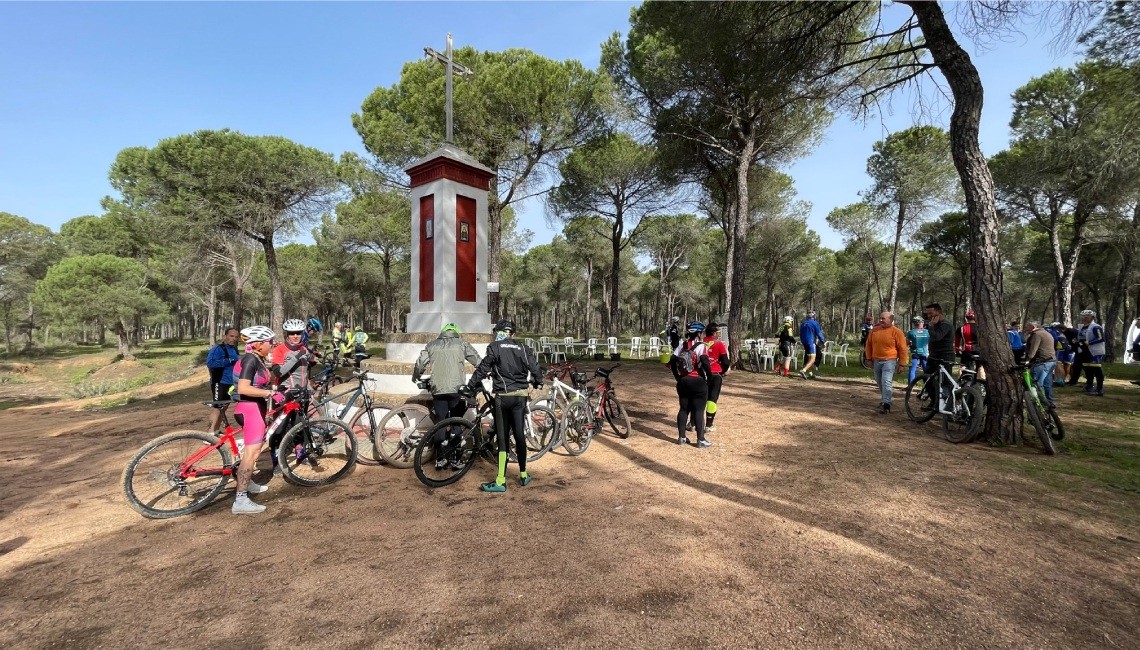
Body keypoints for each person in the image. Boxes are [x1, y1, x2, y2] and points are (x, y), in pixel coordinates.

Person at [463, 320, 543, 492]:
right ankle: (523, 475)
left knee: (503, 438)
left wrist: (470, 386)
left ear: (498, 333)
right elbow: (534, 367)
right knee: (520, 435)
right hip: (520, 397)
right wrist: (538, 381)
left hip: (502, 398)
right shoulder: (522, 347)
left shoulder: (494, 347)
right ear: (512, 334)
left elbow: (483, 368)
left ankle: (500, 481)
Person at [413, 323, 483, 470]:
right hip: (457, 389)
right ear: (456, 333)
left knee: (440, 422)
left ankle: (440, 459)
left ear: (443, 332)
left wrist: (416, 375)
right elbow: (478, 361)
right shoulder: (462, 344)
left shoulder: (431, 345)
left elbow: (420, 363)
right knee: (456, 422)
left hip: (438, 390)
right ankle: (456, 459)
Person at [230, 325, 278, 515]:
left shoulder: (256, 358)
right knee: (252, 454)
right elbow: (243, 388)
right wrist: (269, 393)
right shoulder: (250, 360)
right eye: (269, 342)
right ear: (258, 345)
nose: (272, 345)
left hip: (252, 408)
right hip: (250, 410)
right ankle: (240, 500)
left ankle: (247, 484)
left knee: (254, 452)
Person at [268, 319, 312, 476]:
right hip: (284, 393)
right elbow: (278, 373)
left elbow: (305, 372)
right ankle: (276, 459)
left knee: (300, 424)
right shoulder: (280, 350)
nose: (295, 336)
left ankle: (300, 452)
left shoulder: (304, 348)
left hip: (302, 393)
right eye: (292, 333)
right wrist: (296, 357)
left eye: (298, 333)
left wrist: (309, 387)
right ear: (286, 334)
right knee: (279, 427)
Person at [671, 321, 712, 447]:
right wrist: (709, 377)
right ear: (699, 333)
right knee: (699, 410)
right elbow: (705, 361)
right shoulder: (701, 346)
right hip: (697, 381)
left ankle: (682, 437)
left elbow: (672, 361)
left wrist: (678, 377)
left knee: (683, 409)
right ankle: (700, 440)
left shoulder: (682, 345)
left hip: (683, 381)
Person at [865, 311, 909, 414]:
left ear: (890, 320)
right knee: (879, 381)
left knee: (886, 381)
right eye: (880, 318)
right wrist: (869, 359)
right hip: (876, 360)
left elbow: (903, 349)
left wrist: (902, 364)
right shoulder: (874, 331)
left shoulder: (897, 332)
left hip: (889, 360)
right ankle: (885, 398)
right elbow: (868, 345)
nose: (880, 320)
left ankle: (886, 404)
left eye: (883, 318)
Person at [205, 327, 239, 434]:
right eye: (231, 336)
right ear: (224, 336)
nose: (233, 339)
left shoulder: (234, 349)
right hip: (219, 382)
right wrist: (227, 361)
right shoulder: (217, 349)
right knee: (217, 407)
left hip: (230, 383)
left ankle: (216, 430)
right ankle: (209, 433)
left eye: (236, 337)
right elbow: (210, 363)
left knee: (224, 408)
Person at [923, 303, 956, 411]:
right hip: (934, 356)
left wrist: (931, 326)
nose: (928, 315)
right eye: (927, 313)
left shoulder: (945, 324)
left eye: (930, 313)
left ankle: (950, 405)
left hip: (945, 356)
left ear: (938, 312)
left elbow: (937, 337)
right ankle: (935, 401)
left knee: (946, 382)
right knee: (927, 378)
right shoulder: (935, 324)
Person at [702, 322, 730, 432]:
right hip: (715, 374)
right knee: (712, 399)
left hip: (701, 374)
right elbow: (725, 361)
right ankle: (709, 424)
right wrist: (723, 371)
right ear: (713, 333)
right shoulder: (719, 344)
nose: (718, 334)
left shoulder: (700, 342)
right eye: (717, 332)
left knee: (699, 399)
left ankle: (693, 422)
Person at [1022, 321, 1057, 408]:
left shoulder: (1037, 335)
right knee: (1047, 383)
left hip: (1042, 362)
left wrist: (1028, 359)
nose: (1025, 329)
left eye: (1027, 327)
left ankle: (1039, 403)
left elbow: (1033, 349)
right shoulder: (1046, 333)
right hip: (1051, 361)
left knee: (1037, 383)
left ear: (1033, 326)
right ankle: (1050, 402)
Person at [1076, 309, 1105, 396]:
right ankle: (1089, 386)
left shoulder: (1096, 327)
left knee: (1096, 370)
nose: (1084, 318)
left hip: (1094, 351)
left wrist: (1090, 342)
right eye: (1083, 317)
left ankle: (1099, 389)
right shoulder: (1082, 327)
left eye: (1087, 317)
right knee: (1087, 369)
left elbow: (1101, 338)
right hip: (1084, 351)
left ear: (1092, 318)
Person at [797, 310, 826, 379]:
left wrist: (802, 341)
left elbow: (800, 334)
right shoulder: (815, 323)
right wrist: (823, 341)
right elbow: (819, 333)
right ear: (814, 316)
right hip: (811, 342)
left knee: (809, 358)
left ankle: (810, 373)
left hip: (804, 342)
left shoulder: (803, 323)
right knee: (813, 359)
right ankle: (803, 370)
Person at [955, 310, 981, 377]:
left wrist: (957, 351)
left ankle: (966, 381)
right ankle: (980, 382)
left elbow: (957, 342)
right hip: (978, 350)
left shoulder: (961, 328)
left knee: (965, 367)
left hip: (966, 350)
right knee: (980, 367)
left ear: (966, 318)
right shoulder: (980, 328)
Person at [1046, 321, 1071, 386]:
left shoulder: (1053, 331)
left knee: (1059, 364)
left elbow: (1055, 339)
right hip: (1067, 348)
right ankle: (1065, 378)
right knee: (1067, 364)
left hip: (1060, 349)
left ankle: (1060, 380)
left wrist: (1054, 347)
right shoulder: (1063, 332)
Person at [905, 317, 929, 384]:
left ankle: (910, 386)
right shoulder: (927, 332)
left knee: (912, 369)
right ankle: (927, 386)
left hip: (914, 353)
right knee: (926, 370)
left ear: (914, 323)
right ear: (921, 322)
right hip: (925, 353)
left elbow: (906, 343)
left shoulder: (911, 332)